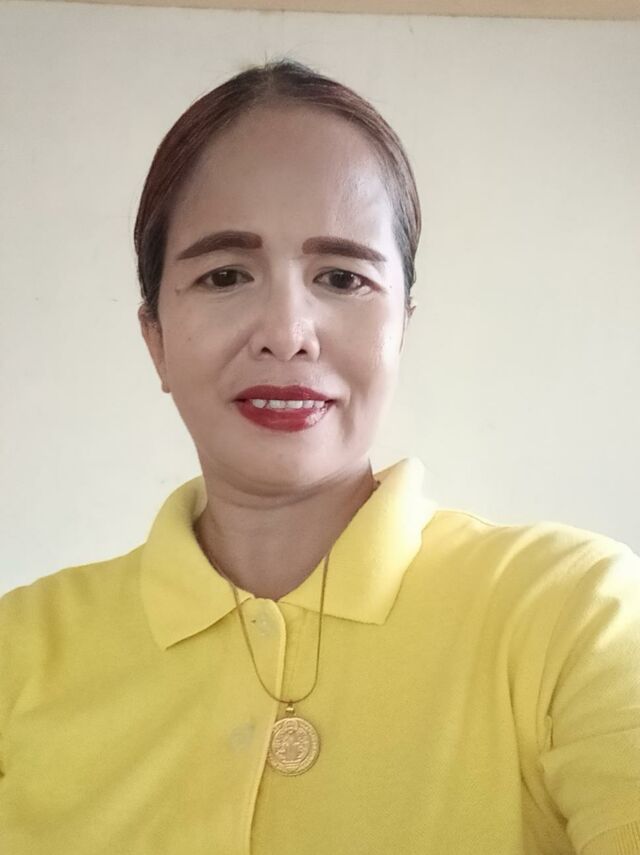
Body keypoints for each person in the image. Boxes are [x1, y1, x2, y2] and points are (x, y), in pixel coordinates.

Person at [1, 58, 639, 855]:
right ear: (154, 338)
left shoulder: (573, 612)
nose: (287, 332)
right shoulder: (19, 650)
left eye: (341, 276)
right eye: (225, 275)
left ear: (401, 328)